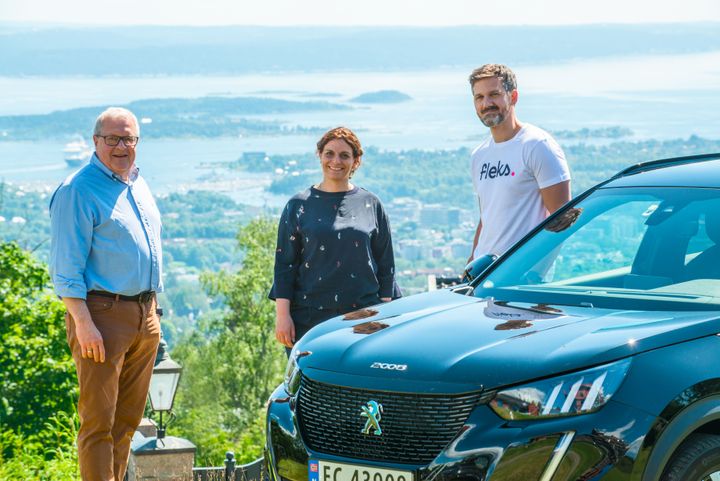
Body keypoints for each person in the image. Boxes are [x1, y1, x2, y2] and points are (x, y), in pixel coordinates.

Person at [49, 107, 162, 481]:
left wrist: (153, 312)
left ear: (137, 143)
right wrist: (84, 324)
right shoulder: (77, 190)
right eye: (112, 138)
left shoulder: (136, 183)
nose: (120, 146)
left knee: (127, 422)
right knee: (98, 425)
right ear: (95, 142)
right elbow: (66, 270)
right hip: (101, 317)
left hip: (144, 315)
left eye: (128, 138)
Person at [270, 126, 399, 353]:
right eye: (329, 153)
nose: (335, 161)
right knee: (311, 384)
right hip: (308, 318)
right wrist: (282, 317)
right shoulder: (298, 205)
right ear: (319, 155)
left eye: (344, 155)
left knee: (361, 385)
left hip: (364, 316)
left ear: (356, 161)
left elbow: (386, 264)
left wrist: (385, 314)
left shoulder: (371, 203)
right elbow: (285, 265)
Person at [468, 64, 571, 261]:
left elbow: (563, 220)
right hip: (485, 271)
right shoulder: (479, 155)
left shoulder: (537, 145)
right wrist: (472, 261)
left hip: (520, 275)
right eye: (479, 97)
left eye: (494, 94)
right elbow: (487, 217)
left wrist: (532, 270)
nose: (486, 103)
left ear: (513, 96)